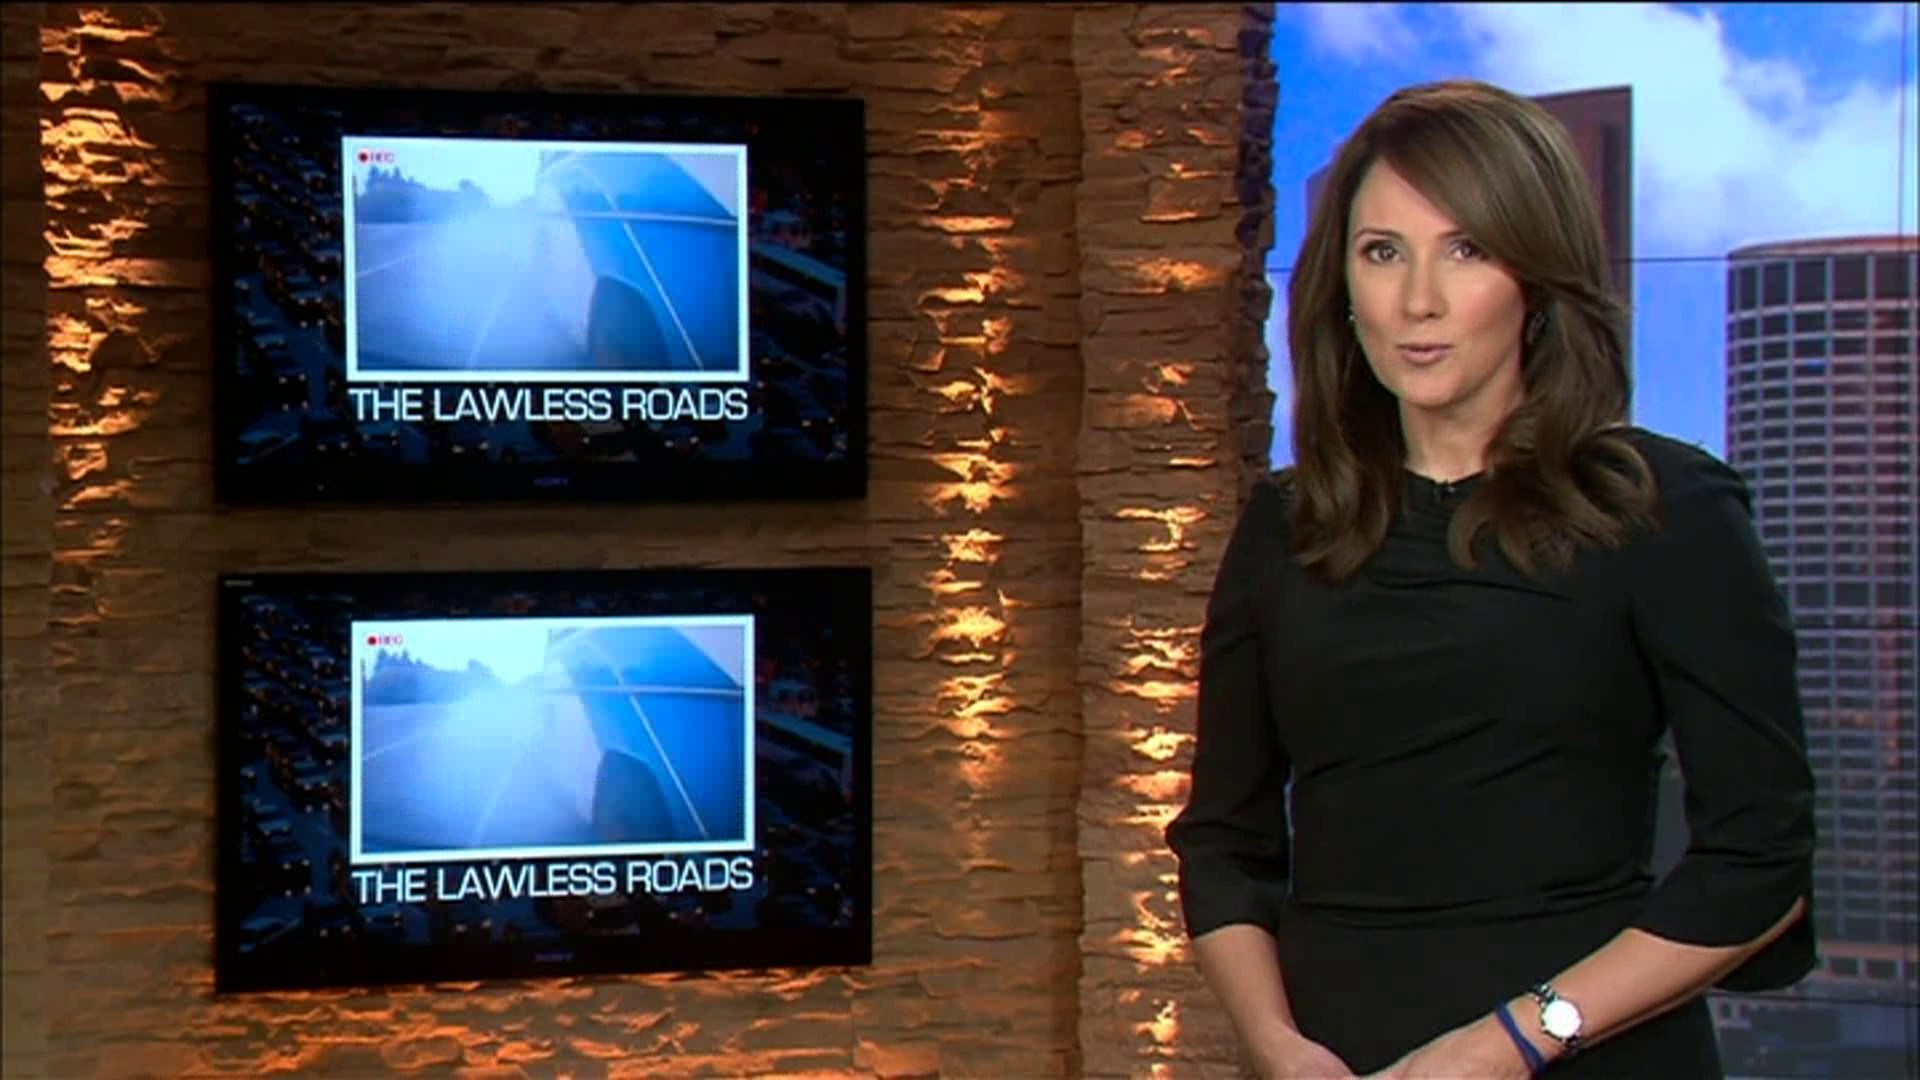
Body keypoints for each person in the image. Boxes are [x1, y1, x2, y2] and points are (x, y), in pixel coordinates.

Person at [1165, 79, 1816, 1079]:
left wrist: (1511, 1043)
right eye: (1383, 252)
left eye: (1466, 250)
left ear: (1536, 279)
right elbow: (1224, 843)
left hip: (1591, 1053)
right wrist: (1275, 1047)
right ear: (1342, 283)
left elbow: (1760, 859)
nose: (1417, 301)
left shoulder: (1664, 508)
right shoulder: (1286, 527)